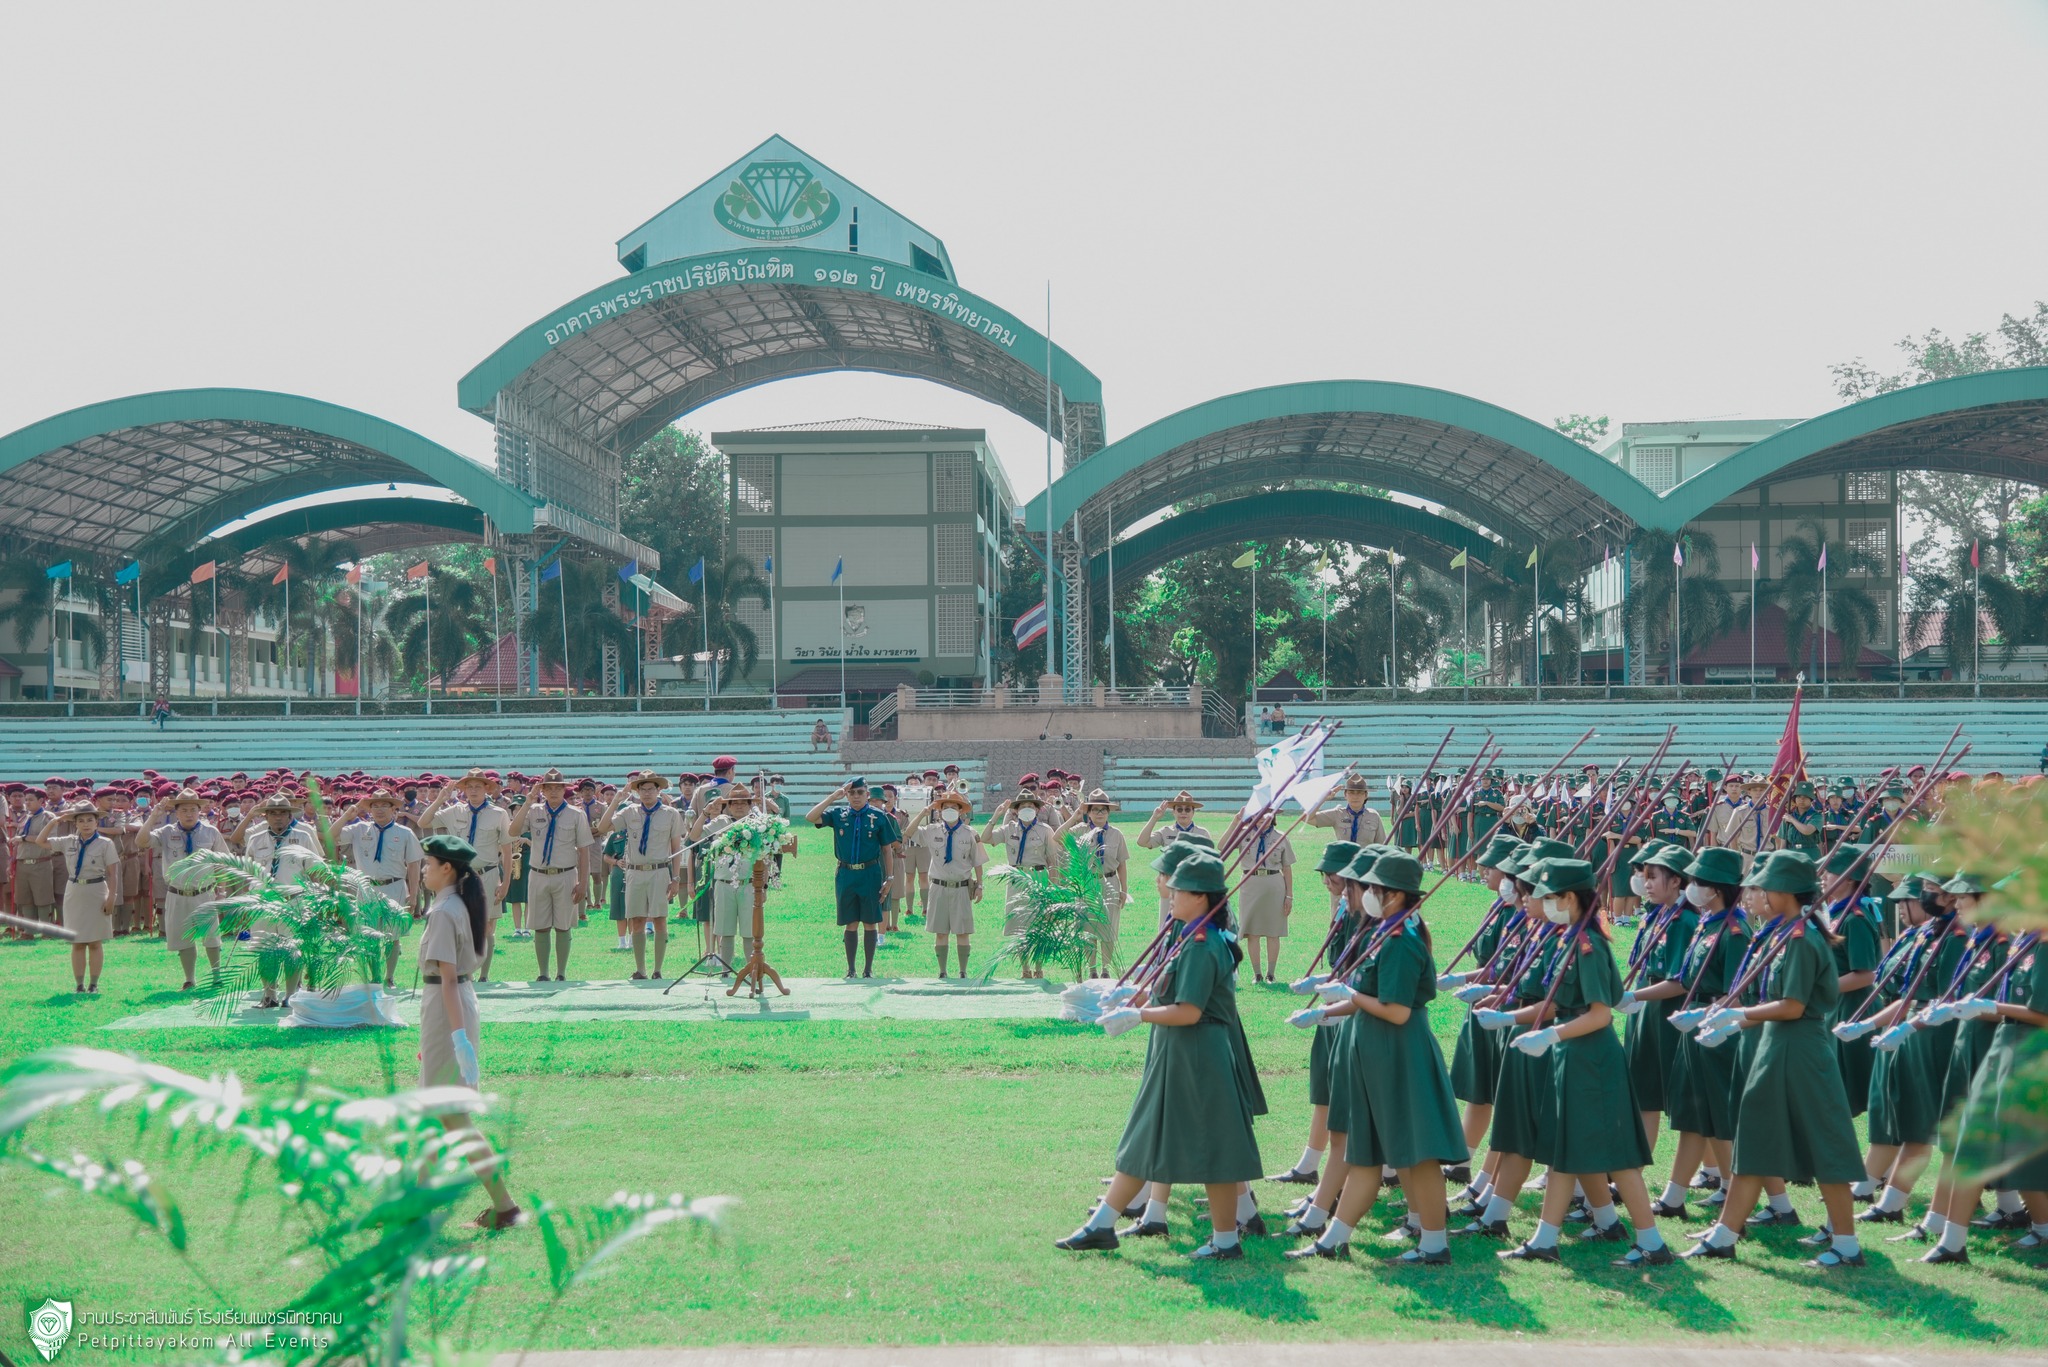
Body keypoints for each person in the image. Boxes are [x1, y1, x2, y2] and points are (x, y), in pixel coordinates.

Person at [1056, 851, 1263, 1259]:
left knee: (1214, 1148)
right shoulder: (1190, 936)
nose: (1170, 893)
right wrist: (1135, 997)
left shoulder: (1202, 944)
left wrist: (1139, 1014)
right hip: (1181, 1053)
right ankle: (1102, 1225)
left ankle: (1225, 1240)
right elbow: (1171, 991)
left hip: (1198, 1055)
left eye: (1179, 889)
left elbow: (1190, 1011)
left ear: (1201, 897)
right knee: (1147, 1136)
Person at [1683, 850, 1868, 1268]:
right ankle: (1725, 1235)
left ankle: (1846, 1244)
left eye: (1762, 887)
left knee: (1826, 1144)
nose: (1754, 895)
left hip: (1799, 1049)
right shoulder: (1778, 934)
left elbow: (1793, 1006)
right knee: (1756, 1139)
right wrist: (1728, 1018)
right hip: (1774, 1044)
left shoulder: (1801, 939)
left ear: (1783, 892)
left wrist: (1740, 1016)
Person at [1287, 851, 1468, 1264]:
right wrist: (1327, 1009)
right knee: (1365, 1154)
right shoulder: (1382, 932)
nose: (1365, 893)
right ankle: (1332, 1240)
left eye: (1373, 887)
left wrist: (1350, 995)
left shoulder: (1401, 940)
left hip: (1400, 1053)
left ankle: (1434, 1244)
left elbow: (1397, 1010)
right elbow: (1367, 994)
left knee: (1418, 1154)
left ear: (1395, 894)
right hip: (1375, 1052)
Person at [414, 834, 522, 1231]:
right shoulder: (455, 903)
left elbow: (446, 979)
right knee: (432, 1114)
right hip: (450, 1005)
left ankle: (505, 1206)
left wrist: (456, 1039)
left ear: (447, 868)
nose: (423, 871)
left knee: (452, 1117)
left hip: (448, 1008)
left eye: (428, 864)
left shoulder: (445, 910)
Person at [808, 777, 901, 979]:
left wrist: (890, 877)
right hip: (846, 873)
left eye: (860, 792)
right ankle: (851, 969)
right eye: (852, 793)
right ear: (847, 795)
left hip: (870, 873)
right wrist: (833, 797)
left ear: (867, 794)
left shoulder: (878, 816)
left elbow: (886, 849)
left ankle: (868, 969)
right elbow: (811, 817)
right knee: (850, 922)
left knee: (869, 922)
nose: (856, 796)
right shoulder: (838, 814)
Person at [427, 770, 515, 982]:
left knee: (486, 927)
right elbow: (424, 822)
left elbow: (507, 850)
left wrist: (505, 883)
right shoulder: (454, 810)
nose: (473, 790)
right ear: (464, 790)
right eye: (469, 787)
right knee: (458, 925)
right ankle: (465, 972)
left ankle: (484, 974)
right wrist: (440, 799)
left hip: (487, 874)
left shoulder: (499, 813)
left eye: (478, 786)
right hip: (458, 877)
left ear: (487, 789)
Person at [601, 772, 686, 981]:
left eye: (651, 789)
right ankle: (641, 970)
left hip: (659, 871)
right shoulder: (629, 812)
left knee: (659, 920)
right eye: (642, 789)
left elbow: (676, 848)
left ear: (659, 790)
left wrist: (676, 878)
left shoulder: (670, 814)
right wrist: (616, 801)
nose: (647, 793)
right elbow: (602, 827)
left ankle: (658, 970)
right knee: (637, 920)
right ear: (637, 791)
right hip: (635, 871)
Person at [25, 801, 119, 992]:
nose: (86, 824)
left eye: (90, 820)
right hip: (74, 891)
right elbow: (40, 841)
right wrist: (54, 822)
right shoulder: (68, 841)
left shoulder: (105, 843)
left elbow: (113, 873)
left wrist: (111, 897)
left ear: (96, 822)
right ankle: (79, 984)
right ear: (75, 823)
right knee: (77, 942)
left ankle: (93, 984)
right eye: (81, 820)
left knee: (95, 942)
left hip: (96, 891)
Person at [338, 788, 425, 987]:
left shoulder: (404, 833)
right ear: (369, 809)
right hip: (367, 888)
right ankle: (375, 977)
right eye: (374, 805)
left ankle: (389, 977)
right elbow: (331, 836)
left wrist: (414, 895)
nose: (379, 809)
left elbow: (413, 865)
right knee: (369, 935)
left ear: (394, 809)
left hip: (394, 886)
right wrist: (346, 816)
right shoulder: (359, 829)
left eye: (384, 805)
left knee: (393, 937)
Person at [147, 788, 231, 990]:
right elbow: (141, 841)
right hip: (177, 892)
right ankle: (189, 979)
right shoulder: (166, 832)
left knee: (211, 937)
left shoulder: (211, 832)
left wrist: (221, 892)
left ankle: (216, 976)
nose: (189, 814)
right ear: (176, 812)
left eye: (193, 809)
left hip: (204, 892)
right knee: (183, 938)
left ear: (199, 810)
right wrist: (153, 817)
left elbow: (223, 863)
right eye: (184, 810)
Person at [520, 769, 594, 982]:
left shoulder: (576, 814)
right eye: (548, 788)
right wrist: (527, 802)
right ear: (542, 790)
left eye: (558, 788)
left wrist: (583, 883)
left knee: (563, 925)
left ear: (564, 790)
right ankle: (543, 973)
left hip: (565, 874)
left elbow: (584, 851)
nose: (553, 792)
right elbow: (512, 831)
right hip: (538, 874)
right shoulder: (533, 811)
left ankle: (561, 973)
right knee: (540, 926)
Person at [910, 789, 985, 978]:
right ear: (940, 810)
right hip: (939, 887)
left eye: (953, 807)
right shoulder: (932, 830)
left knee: (962, 931)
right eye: (945, 807)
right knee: (940, 932)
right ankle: (942, 971)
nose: (949, 810)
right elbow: (909, 833)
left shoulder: (970, 833)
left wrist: (980, 885)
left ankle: (963, 971)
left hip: (961, 887)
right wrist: (922, 813)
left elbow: (978, 862)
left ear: (960, 811)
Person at [982, 788, 1055, 978]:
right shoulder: (1009, 829)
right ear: (1016, 810)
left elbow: (1053, 860)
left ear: (1037, 810)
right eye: (1022, 806)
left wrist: (1053, 886)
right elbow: (985, 838)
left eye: (1031, 806)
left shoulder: (1045, 830)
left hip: (1038, 877)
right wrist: (996, 816)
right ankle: (1025, 968)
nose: (1027, 809)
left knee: (1039, 924)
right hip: (1016, 878)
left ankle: (1039, 968)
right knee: (1019, 924)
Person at [1058, 789, 1131, 973]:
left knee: (1109, 928)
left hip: (1110, 882)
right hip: (1087, 884)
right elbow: (1057, 838)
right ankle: (1092, 970)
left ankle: (1105, 970)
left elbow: (1122, 864)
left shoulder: (1116, 834)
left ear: (1108, 813)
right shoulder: (1079, 831)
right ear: (1088, 812)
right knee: (1088, 928)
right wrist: (1074, 816)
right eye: (1095, 809)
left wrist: (1124, 889)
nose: (1100, 813)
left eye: (1103, 810)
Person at [1233, 806, 1296, 984]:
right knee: (1252, 932)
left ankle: (1271, 974)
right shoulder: (1243, 834)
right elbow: (1223, 846)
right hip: (1250, 884)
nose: (1262, 818)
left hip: (1274, 884)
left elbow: (1287, 868)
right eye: (1257, 814)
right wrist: (1237, 821)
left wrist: (1289, 895)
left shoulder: (1280, 837)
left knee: (1273, 931)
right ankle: (1257, 974)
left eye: (1266, 814)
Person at [1135, 792, 1209, 928]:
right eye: (1179, 809)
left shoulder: (1202, 833)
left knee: (1192, 928)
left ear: (1193, 812)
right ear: (1173, 812)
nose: (1183, 813)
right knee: (1167, 928)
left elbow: (1208, 862)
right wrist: (1154, 818)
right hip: (1170, 886)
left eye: (1187, 809)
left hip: (1193, 886)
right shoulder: (1166, 832)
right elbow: (1142, 842)